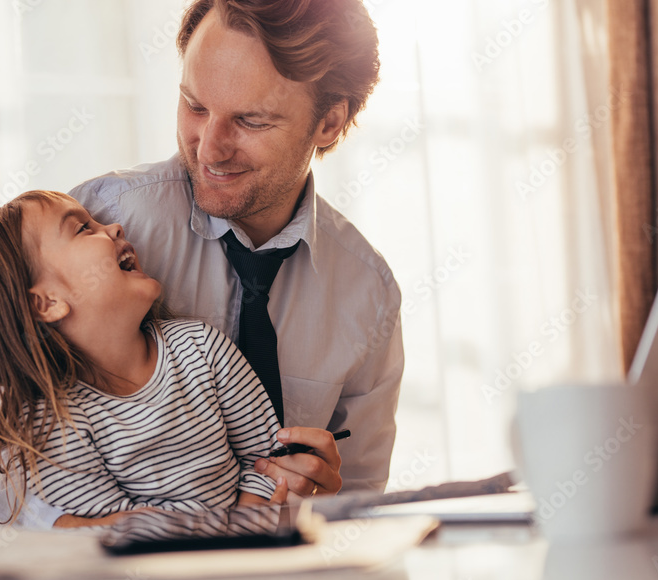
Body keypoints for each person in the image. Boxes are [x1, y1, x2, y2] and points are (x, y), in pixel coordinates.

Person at [64, 0, 404, 511]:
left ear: (329, 124)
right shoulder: (101, 228)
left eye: (250, 120)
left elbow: (358, 507)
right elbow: (12, 480)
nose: (208, 149)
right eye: (195, 106)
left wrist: (322, 502)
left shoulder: (367, 293)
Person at [0, 190, 288, 526]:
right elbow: (119, 531)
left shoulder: (203, 349)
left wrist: (242, 539)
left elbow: (269, 462)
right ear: (47, 302)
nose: (115, 228)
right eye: (84, 228)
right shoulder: (54, 425)